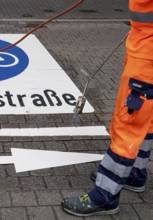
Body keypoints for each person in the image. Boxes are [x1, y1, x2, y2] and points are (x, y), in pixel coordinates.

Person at [61, 0, 153, 216]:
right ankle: (134, 174)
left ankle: (105, 195)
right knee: (145, 121)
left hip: (147, 55)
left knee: (128, 124)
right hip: (144, 44)